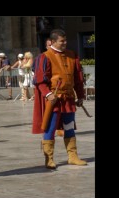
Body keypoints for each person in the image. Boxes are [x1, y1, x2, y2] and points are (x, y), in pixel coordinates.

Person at [32, 29, 87, 169]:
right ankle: (49, 158)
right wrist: (48, 94)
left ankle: (72, 156)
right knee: (50, 128)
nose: (65, 43)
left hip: (68, 99)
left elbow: (78, 79)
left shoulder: (72, 55)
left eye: (65, 40)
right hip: (54, 100)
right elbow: (40, 80)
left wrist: (80, 95)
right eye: (62, 41)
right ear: (53, 41)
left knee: (69, 127)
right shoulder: (44, 57)